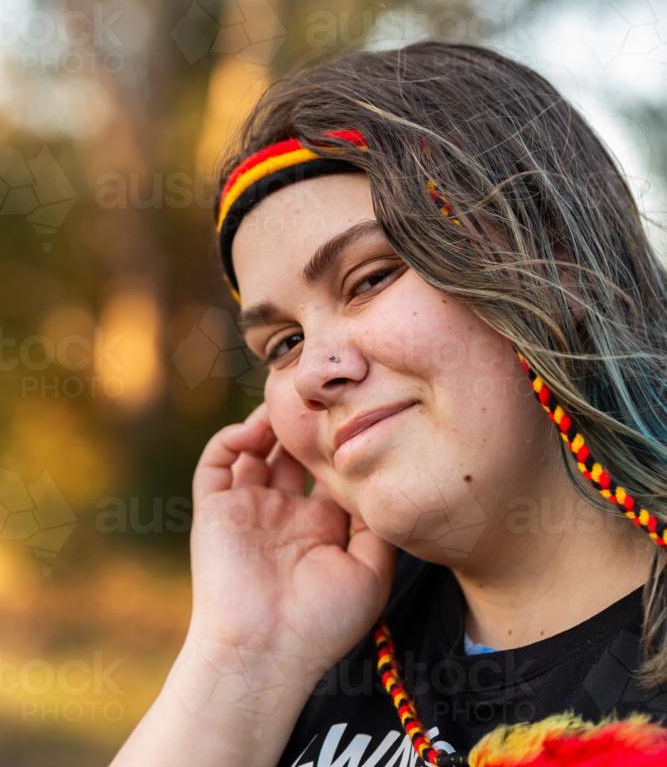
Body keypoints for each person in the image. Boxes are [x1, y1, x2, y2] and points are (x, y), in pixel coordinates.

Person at [111, 42, 667, 767]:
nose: (314, 371)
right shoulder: (312, 652)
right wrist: (244, 655)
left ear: (552, 266)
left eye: (368, 278)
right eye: (280, 343)